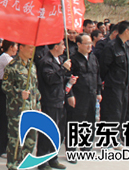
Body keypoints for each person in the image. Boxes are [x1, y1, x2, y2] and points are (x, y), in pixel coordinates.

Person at [36, 40, 74, 170]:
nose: (64, 47)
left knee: (59, 131)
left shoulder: (60, 59)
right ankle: (42, 160)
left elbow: (62, 79)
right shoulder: (46, 62)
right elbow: (50, 79)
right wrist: (63, 69)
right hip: (50, 101)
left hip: (60, 99)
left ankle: (53, 157)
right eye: (63, 45)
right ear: (56, 46)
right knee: (47, 132)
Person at [3, 43, 41, 170]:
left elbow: (35, 88)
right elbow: (5, 86)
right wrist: (19, 93)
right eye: (30, 48)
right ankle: (12, 165)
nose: (32, 51)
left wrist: (38, 104)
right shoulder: (12, 66)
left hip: (32, 109)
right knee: (15, 140)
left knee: (31, 140)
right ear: (21, 48)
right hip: (17, 110)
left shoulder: (32, 66)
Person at [66, 33, 101, 158]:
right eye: (86, 43)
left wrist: (99, 92)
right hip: (78, 96)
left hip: (91, 94)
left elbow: (97, 75)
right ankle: (71, 150)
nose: (89, 46)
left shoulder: (93, 58)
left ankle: (86, 146)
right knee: (75, 122)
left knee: (90, 121)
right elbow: (68, 79)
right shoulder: (73, 59)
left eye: (90, 43)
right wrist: (70, 95)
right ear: (79, 44)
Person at [99, 21, 129, 144]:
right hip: (112, 85)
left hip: (124, 86)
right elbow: (104, 67)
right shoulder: (111, 46)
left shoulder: (126, 45)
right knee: (112, 113)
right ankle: (107, 140)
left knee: (121, 113)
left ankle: (116, 138)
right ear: (126, 31)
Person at [0, 40, 18, 158]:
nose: (17, 48)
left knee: (8, 119)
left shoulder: (8, 57)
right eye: (16, 45)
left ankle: (5, 147)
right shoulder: (5, 57)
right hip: (3, 88)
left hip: (8, 89)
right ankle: (1, 149)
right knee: (4, 120)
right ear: (11, 47)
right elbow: (15, 67)